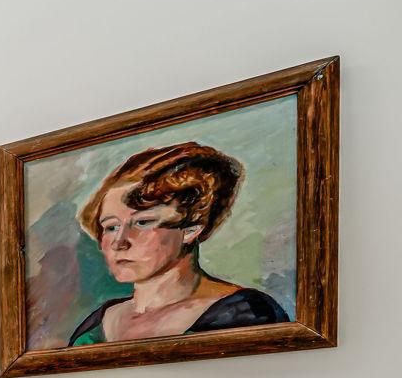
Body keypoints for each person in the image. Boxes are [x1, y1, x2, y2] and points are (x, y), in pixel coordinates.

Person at [68, 142, 287, 346]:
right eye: (111, 227)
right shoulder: (97, 323)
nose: (119, 242)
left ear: (191, 229)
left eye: (143, 222)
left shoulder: (245, 313)